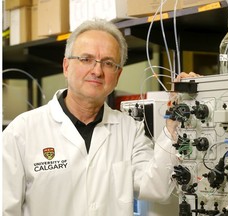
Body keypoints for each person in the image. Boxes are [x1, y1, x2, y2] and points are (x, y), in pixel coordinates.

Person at [3, 19, 198, 216]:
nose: (97, 71)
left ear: (118, 74)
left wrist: (174, 126)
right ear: (66, 66)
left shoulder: (129, 130)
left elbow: (157, 188)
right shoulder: (22, 132)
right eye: (86, 59)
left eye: (108, 63)